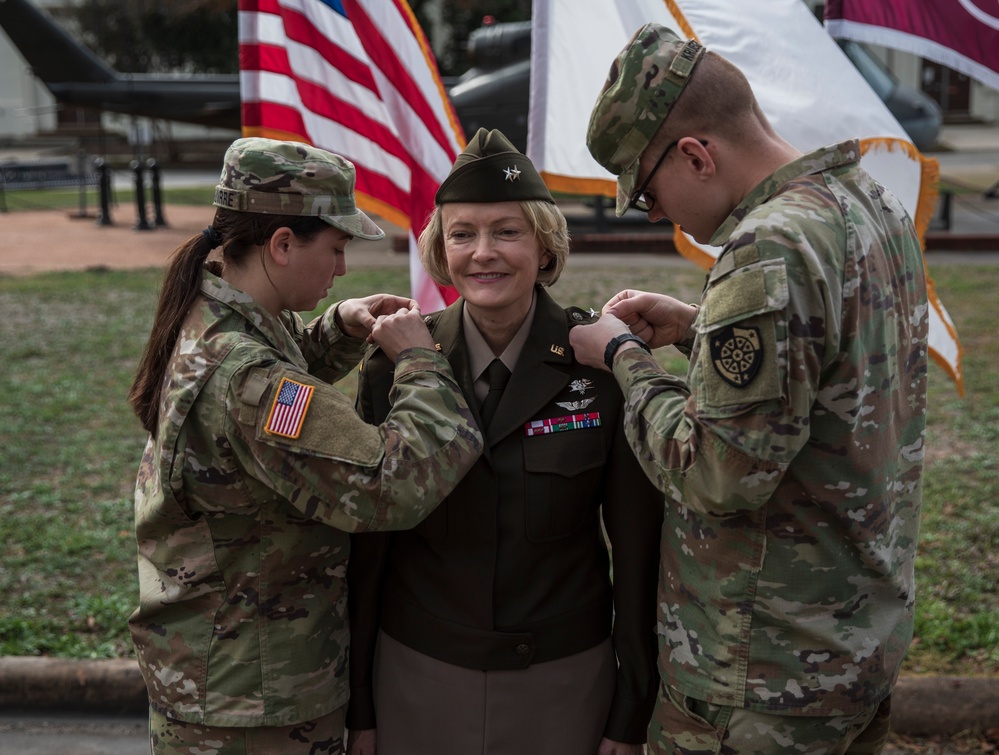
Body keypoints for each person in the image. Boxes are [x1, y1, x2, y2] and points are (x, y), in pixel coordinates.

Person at [568, 23, 930, 754]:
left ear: (696, 154)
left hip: (761, 672)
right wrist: (704, 324)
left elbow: (715, 472)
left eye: (647, 194)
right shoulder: (866, 203)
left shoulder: (765, 248)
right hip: (854, 639)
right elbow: (839, 369)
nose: (657, 213)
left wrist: (624, 357)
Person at [126, 137, 483, 755]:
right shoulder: (248, 380)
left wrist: (335, 329)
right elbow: (390, 486)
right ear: (282, 244)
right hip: (258, 701)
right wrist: (421, 364)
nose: (341, 267)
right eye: (336, 248)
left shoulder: (211, 311)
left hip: (218, 674)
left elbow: (269, 410)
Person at [345, 128, 663, 755]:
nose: (482, 253)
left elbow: (637, 553)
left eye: (507, 232)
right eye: (462, 233)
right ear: (441, 248)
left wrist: (631, 711)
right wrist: (360, 703)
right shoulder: (394, 363)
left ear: (545, 248)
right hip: (417, 677)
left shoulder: (599, 366)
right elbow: (367, 551)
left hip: (563, 684)